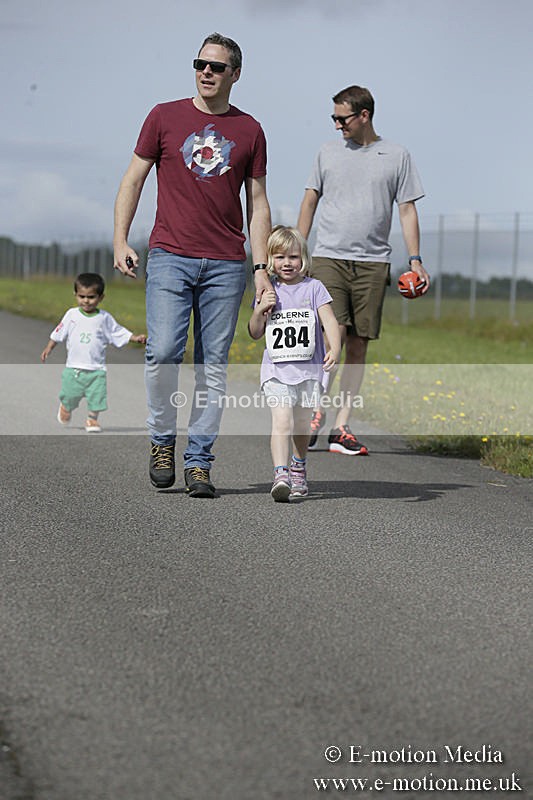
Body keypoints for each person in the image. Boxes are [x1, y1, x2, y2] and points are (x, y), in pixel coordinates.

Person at [113, 32, 271, 498]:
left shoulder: (250, 131)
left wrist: (260, 267)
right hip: (169, 256)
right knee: (162, 351)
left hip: (226, 264)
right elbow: (133, 179)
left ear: (235, 74)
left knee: (212, 366)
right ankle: (162, 441)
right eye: (200, 63)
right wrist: (121, 238)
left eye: (217, 66)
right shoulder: (163, 116)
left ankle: (199, 461)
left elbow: (257, 203)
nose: (206, 71)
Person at [297, 85, 429, 455]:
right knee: (332, 335)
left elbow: (407, 210)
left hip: (374, 262)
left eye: (343, 118)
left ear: (365, 115)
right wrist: (298, 248)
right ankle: (314, 410)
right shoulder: (327, 152)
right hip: (329, 258)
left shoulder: (396, 155)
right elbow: (310, 201)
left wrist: (415, 260)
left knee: (358, 345)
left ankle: (342, 426)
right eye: (333, 118)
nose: (337, 125)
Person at [248, 226, 341, 502]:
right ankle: (281, 474)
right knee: (282, 421)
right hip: (276, 372)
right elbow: (254, 332)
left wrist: (335, 348)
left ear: (304, 258)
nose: (286, 263)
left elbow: (330, 322)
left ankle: (298, 466)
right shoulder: (268, 290)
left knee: (302, 425)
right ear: (270, 260)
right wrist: (259, 309)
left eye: (293, 257)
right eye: (279, 257)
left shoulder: (314, 288)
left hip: (308, 373)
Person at [40, 273, 146, 432]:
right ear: (75, 295)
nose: (86, 300)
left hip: (97, 368)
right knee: (70, 395)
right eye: (81, 296)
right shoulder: (72, 315)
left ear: (101, 297)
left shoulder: (104, 318)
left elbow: (117, 332)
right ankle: (66, 406)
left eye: (91, 297)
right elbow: (58, 333)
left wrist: (135, 338)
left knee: (97, 396)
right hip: (74, 368)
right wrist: (49, 348)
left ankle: (92, 420)